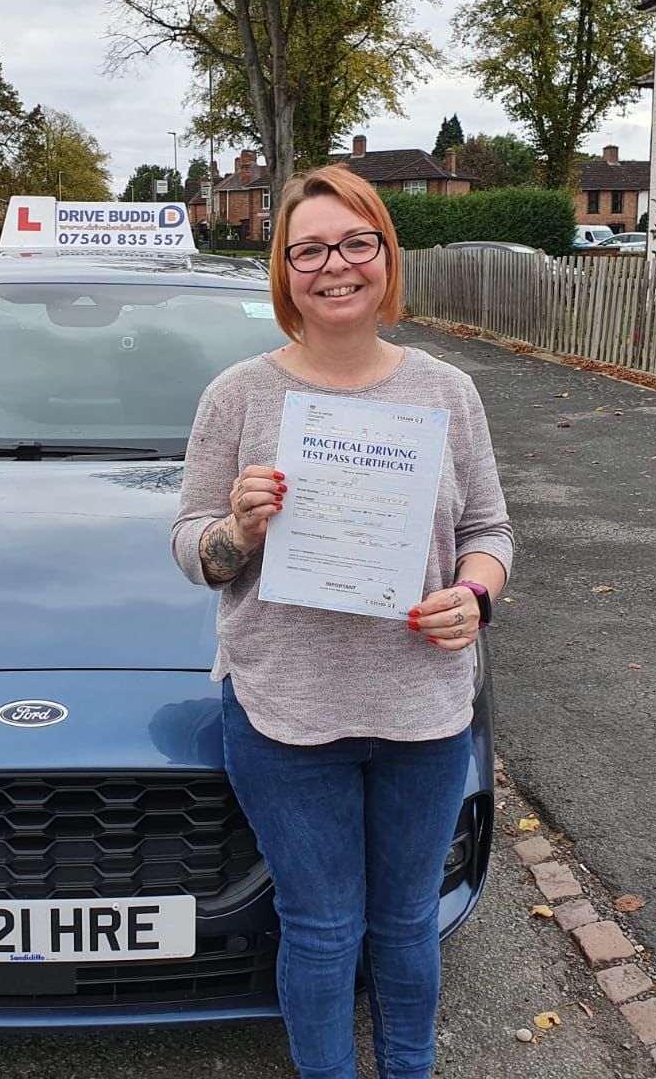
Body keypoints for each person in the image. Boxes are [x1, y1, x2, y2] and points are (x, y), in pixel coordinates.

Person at [170, 164, 513, 1079]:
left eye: (356, 243)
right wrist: (238, 530)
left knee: (405, 923)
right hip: (288, 712)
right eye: (310, 249)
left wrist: (472, 597)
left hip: (423, 712)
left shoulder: (447, 391)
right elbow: (191, 547)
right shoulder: (238, 397)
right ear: (284, 270)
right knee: (321, 930)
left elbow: (489, 531)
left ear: (385, 257)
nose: (336, 266)